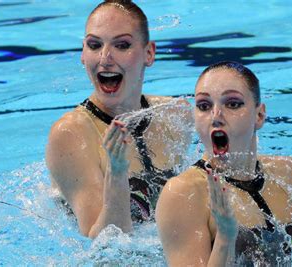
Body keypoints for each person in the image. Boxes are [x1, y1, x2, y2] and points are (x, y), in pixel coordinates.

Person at [45, 0, 191, 238]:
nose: (105, 58)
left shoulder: (175, 114)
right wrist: (117, 171)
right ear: (83, 53)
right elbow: (104, 246)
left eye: (121, 45)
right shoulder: (71, 135)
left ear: (149, 53)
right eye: (94, 45)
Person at [156, 61, 292, 266]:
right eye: (204, 106)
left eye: (233, 104)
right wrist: (225, 238)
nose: (216, 116)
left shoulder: (287, 173)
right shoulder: (184, 193)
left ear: (259, 115)